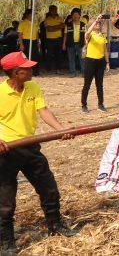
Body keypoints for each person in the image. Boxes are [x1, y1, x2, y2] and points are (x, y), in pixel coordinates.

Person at [0, 51, 77, 253]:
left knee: (49, 188)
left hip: (30, 146)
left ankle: (55, 225)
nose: (32, 69)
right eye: (27, 67)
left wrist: (60, 129)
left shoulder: (33, 87)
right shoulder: (0, 94)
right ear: (17, 73)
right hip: (7, 152)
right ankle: (7, 242)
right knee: (5, 200)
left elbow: (43, 111)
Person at [81, 16, 108, 112]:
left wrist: (107, 62)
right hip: (90, 61)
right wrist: (95, 20)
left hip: (100, 62)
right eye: (96, 23)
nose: (98, 24)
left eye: (99, 23)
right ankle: (84, 105)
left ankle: (100, 104)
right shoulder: (90, 35)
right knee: (87, 84)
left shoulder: (102, 36)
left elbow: (105, 50)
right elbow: (87, 32)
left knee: (99, 84)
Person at [39, 7, 64, 73]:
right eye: (53, 10)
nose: (54, 11)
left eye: (55, 10)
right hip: (49, 40)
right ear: (50, 11)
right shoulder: (46, 20)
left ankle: (58, 69)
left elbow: (62, 26)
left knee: (58, 54)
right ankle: (48, 69)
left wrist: (53, 28)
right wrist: (58, 26)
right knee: (48, 55)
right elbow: (49, 29)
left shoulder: (60, 18)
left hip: (58, 39)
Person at [63, 8, 86, 77]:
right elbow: (65, 35)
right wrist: (63, 44)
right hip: (70, 44)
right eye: (74, 15)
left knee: (82, 58)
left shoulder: (83, 25)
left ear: (79, 16)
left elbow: (85, 35)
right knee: (71, 58)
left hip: (81, 44)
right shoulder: (68, 25)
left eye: (77, 15)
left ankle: (84, 72)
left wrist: (86, 45)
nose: (75, 16)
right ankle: (72, 72)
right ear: (72, 16)